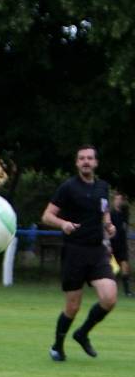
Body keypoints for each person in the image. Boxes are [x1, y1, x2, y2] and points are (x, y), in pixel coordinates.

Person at [42, 145, 117, 361]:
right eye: (82, 158)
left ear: (96, 163)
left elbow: (104, 213)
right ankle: (57, 346)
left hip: (97, 252)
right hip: (74, 252)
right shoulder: (68, 188)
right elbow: (47, 216)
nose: (86, 161)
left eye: (90, 158)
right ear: (77, 163)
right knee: (73, 306)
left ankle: (82, 333)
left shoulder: (103, 187)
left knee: (109, 298)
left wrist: (109, 226)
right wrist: (63, 223)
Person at [109, 191, 132, 297]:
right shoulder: (111, 214)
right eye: (116, 199)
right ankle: (110, 291)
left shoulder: (124, 214)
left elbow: (125, 228)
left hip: (122, 246)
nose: (118, 201)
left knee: (125, 267)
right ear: (114, 200)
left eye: (120, 199)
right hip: (113, 245)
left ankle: (127, 291)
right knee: (113, 270)